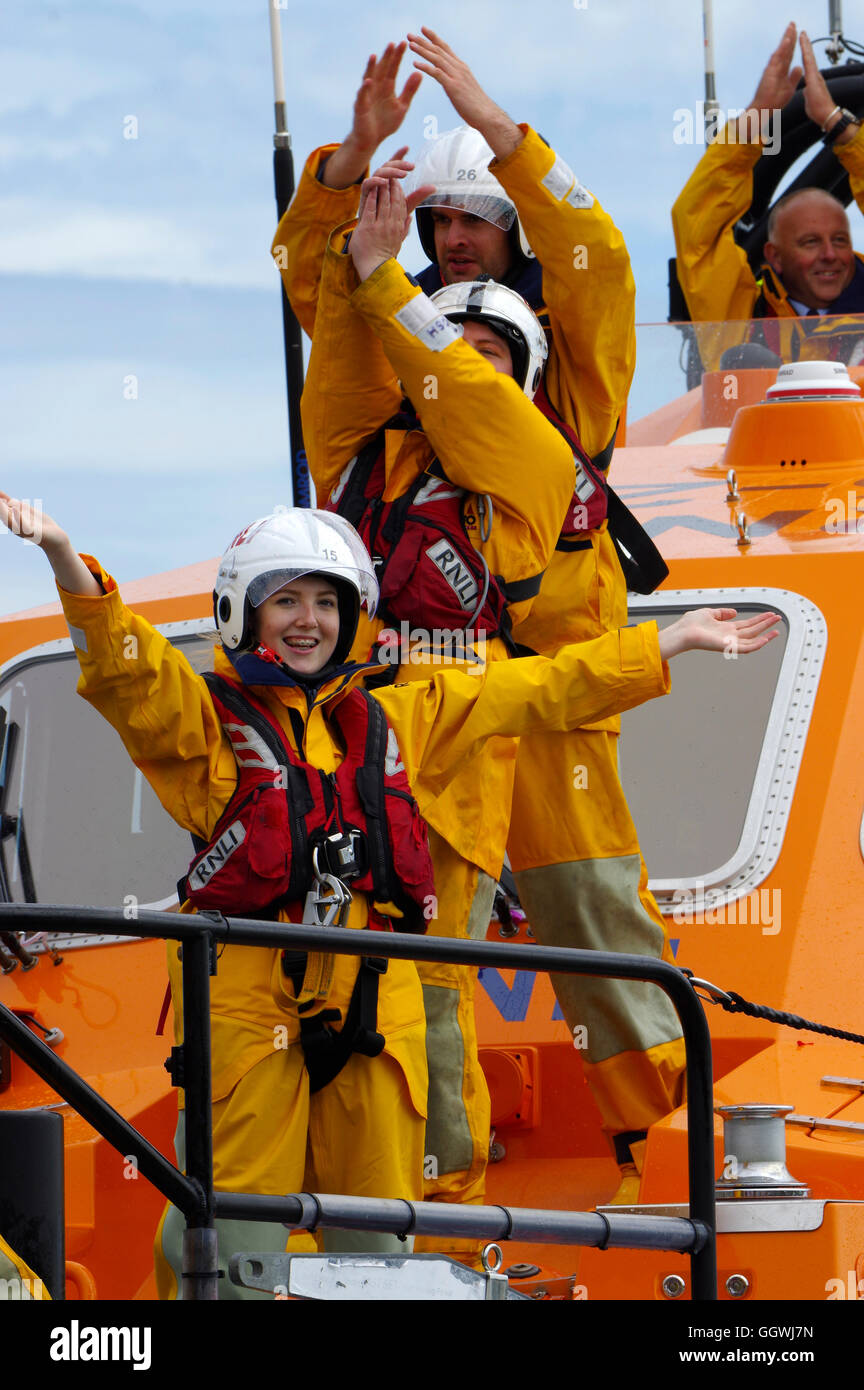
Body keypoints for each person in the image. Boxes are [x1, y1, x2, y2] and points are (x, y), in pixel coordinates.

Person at [0, 491, 778, 1299]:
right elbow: (129, 671)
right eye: (287, 600)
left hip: (378, 1005)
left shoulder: (399, 719)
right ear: (246, 612)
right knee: (232, 1235)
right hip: (244, 1006)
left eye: (326, 603)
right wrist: (64, 554)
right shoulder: (201, 729)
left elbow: (531, 690)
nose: (308, 621)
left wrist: (666, 644)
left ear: (353, 616)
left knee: (375, 1245)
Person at [274, 30, 686, 1204]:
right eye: (438, 224)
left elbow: (596, 257)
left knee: (598, 910)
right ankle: (436, 1183)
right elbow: (336, 300)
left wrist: (502, 133)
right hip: (425, 713)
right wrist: (350, 166)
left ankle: (659, 1130)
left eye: (479, 219)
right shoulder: (372, 432)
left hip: (559, 689)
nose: (456, 236)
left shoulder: (567, 401)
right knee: (425, 955)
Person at [299, 169, 576, 1242]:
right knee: (316, 969)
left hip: (449, 745)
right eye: (441, 343)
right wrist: (350, 237)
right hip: (332, 735)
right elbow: (342, 362)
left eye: (486, 350)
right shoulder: (359, 457)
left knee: (435, 986)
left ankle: (443, 1211)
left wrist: (390, 290)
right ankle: (323, 1197)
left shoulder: (531, 471)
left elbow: (474, 406)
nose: (454, 364)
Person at [673, 25, 864, 364]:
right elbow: (697, 225)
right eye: (810, 242)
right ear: (773, 256)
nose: (830, 255)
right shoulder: (742, 318)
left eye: (839, 240)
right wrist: (758, 115)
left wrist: (838, 125)